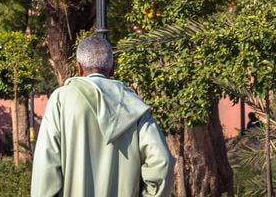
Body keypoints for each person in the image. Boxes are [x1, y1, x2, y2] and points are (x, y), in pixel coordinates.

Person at [31, 34, 174, 197]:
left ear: (79, 67)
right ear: (113, 68)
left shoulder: (61, 99)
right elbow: (162, 161)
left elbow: (46, 166)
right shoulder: (133, 104)